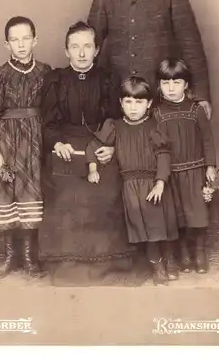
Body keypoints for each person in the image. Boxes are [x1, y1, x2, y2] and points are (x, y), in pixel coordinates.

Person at [38, 22, 135, 284]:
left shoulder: (108, 79)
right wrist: (57, 143)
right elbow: (47, 123)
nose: (81, 53)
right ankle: (68, 263)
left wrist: (112, 146)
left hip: (101, 142)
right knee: (68, 191)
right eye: (75, 47)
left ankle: (110, 262)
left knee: (107, 186)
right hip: (66, 147)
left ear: (97, 50)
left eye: (87, 47)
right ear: (66, 50)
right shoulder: (55, 80)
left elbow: (117, 119)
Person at [0, 16, 51, 277]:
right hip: (6, 143)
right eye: (14, 40)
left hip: (35, 143)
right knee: (6, 194)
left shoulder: (45, 73)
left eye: (26, 38)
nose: (21, 45)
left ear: (35, 40)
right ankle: (10, 257)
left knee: (31, 196)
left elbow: (52, 112)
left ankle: (29, 257)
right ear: (6, 44)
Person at [86, 76, 179, 286]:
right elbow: (93, 147)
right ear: (120, 103)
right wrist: (93, 168)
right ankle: (157, 265)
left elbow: (164, 155)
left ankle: (170, 259)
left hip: (153, 183)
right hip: (130, 186)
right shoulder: (115, 126)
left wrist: (160, 182)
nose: (133, 108)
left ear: (149, 104)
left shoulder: (154, 126)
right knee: (144, 227)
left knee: (161, 225)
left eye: (139, 102)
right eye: (128, 102)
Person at [153, 58, 217, 274]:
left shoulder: (196, 109)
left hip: (195, 171)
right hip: (172, 174)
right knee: (177, 217)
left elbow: (207, 139)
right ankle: (182, 255)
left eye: (177, 83)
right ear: (159, 86)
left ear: (186, 85)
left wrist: (210, 165)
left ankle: (199, 252)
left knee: (197, 215)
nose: (171, 88)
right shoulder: (157, 113)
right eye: (165, 83)